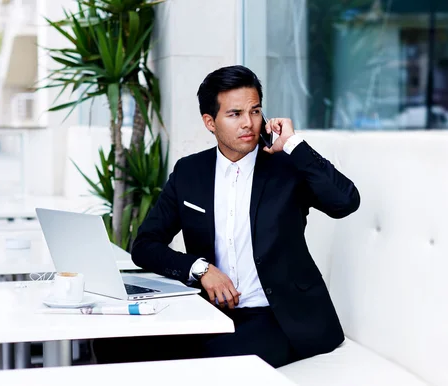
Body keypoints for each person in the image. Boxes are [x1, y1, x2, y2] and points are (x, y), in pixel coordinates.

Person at [93, 65, 361, 368]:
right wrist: (201, 269)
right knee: (114, 345)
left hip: (279, 317)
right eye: (235, 114)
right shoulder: (189, 172)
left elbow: (345, 202)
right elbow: (145, 244)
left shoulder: (287, 167)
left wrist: (294, 146)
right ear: (210, 122)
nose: (249, 123)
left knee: (212, 360)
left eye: (255, 111)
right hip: (209, 311)